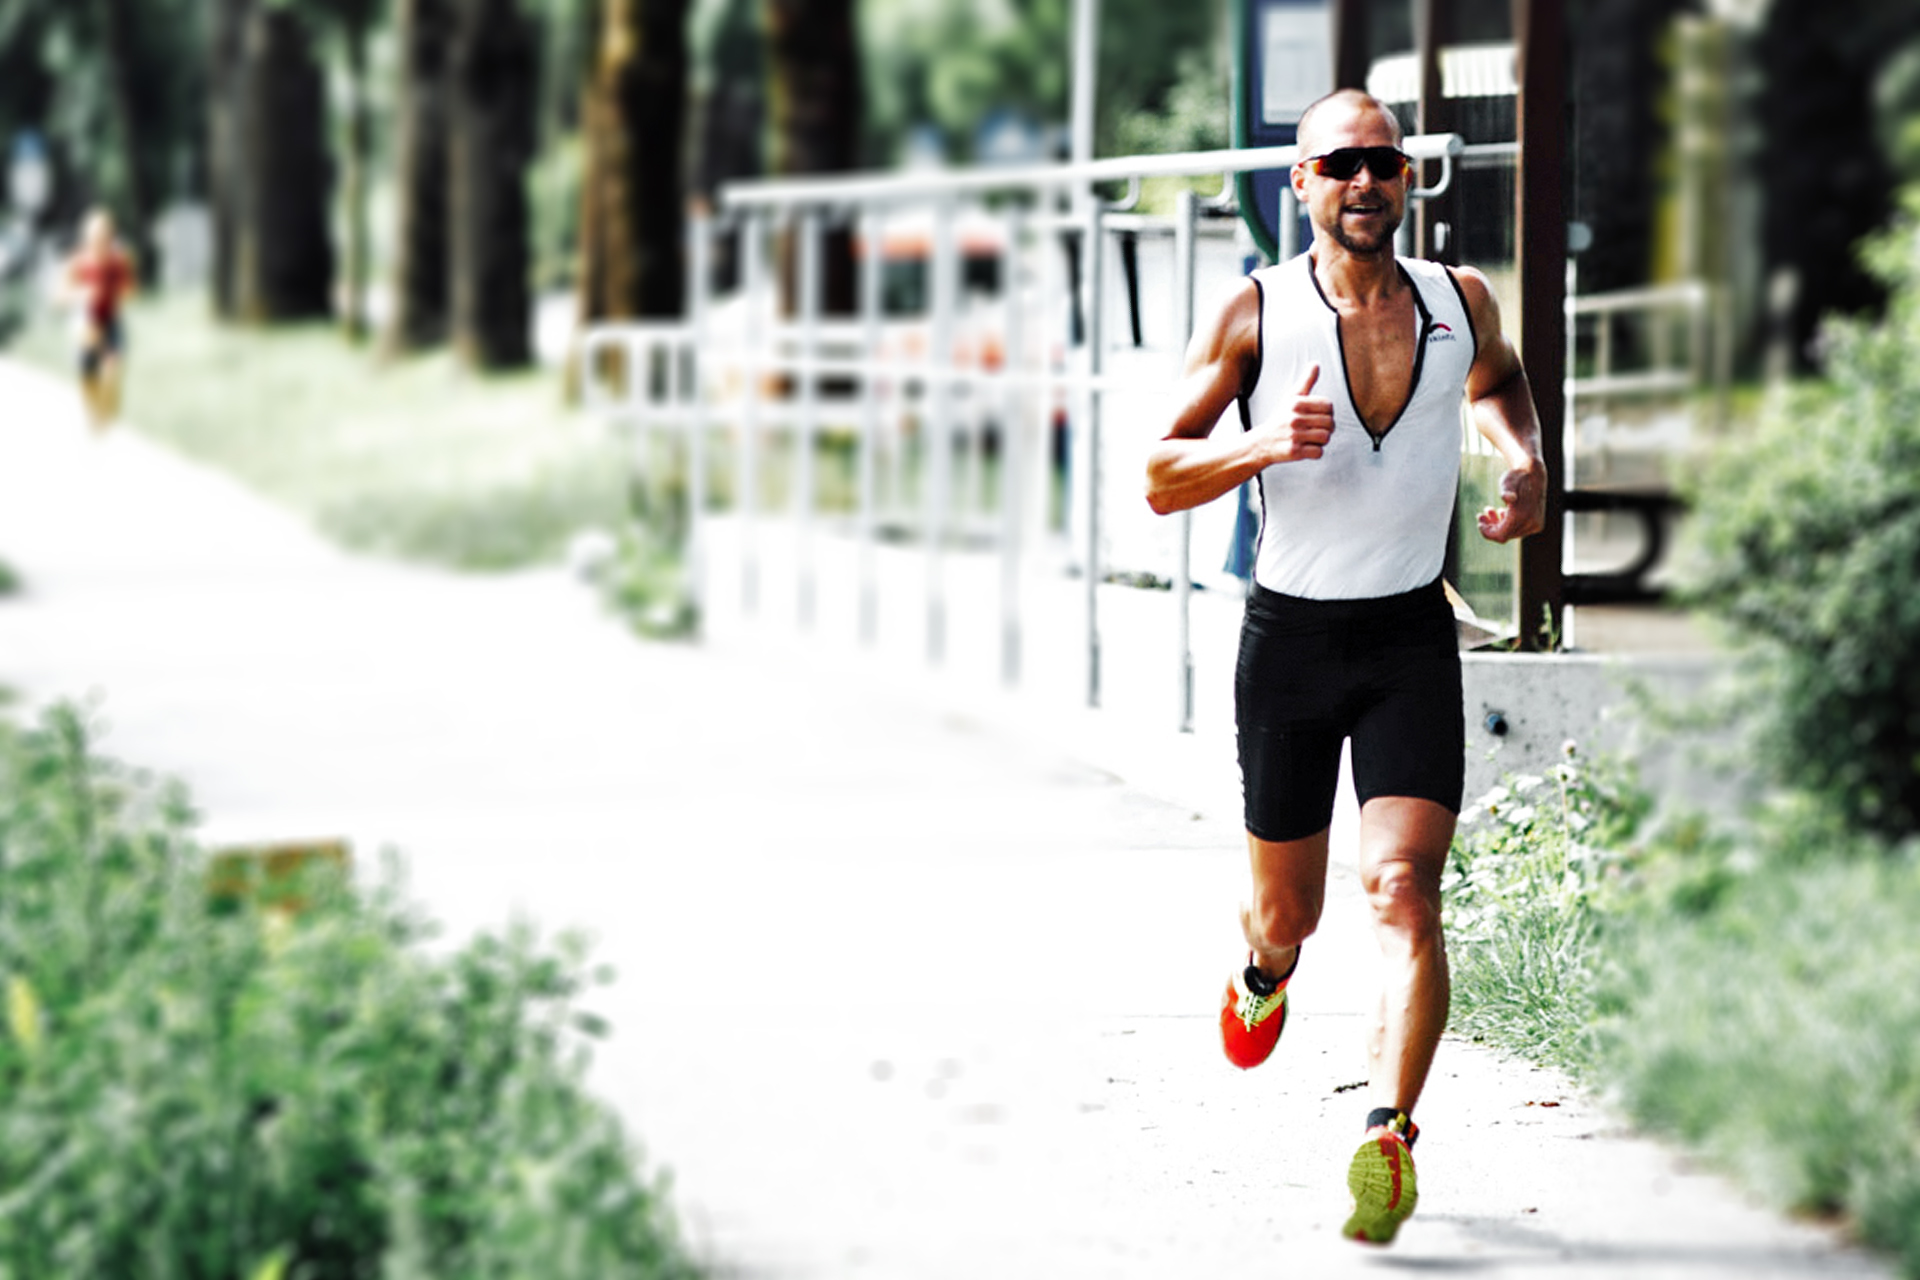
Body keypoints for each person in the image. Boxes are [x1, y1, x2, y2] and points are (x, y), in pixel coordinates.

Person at [1143, 87, 1546, 1246]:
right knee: (1293, 912)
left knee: (1404, 891)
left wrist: (1524, 462)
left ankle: (1388, 1131)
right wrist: (1265, 441)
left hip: (1409, 636)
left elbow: (1502, 380)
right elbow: (1162, 471)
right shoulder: (1255, 312)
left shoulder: (1457, 300)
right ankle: (1262, 968)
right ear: (1302, 185)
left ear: (1408, 180)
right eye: (1341, 163)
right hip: (1293, 643)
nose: (1366, 180)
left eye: (1386, 161)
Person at [62, 207, 136, 433]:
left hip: (110, 322)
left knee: (112, 369)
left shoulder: (119, 260)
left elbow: (129, 291)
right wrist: (82, 293)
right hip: (85, 326)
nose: (100, 243)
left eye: (105, 237)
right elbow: (60, 294)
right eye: (95, 238)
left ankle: (108, 414)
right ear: (87, 238)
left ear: (111, 237)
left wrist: (119, 291)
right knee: (87, 377)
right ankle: (93, 414)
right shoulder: (78, 262)